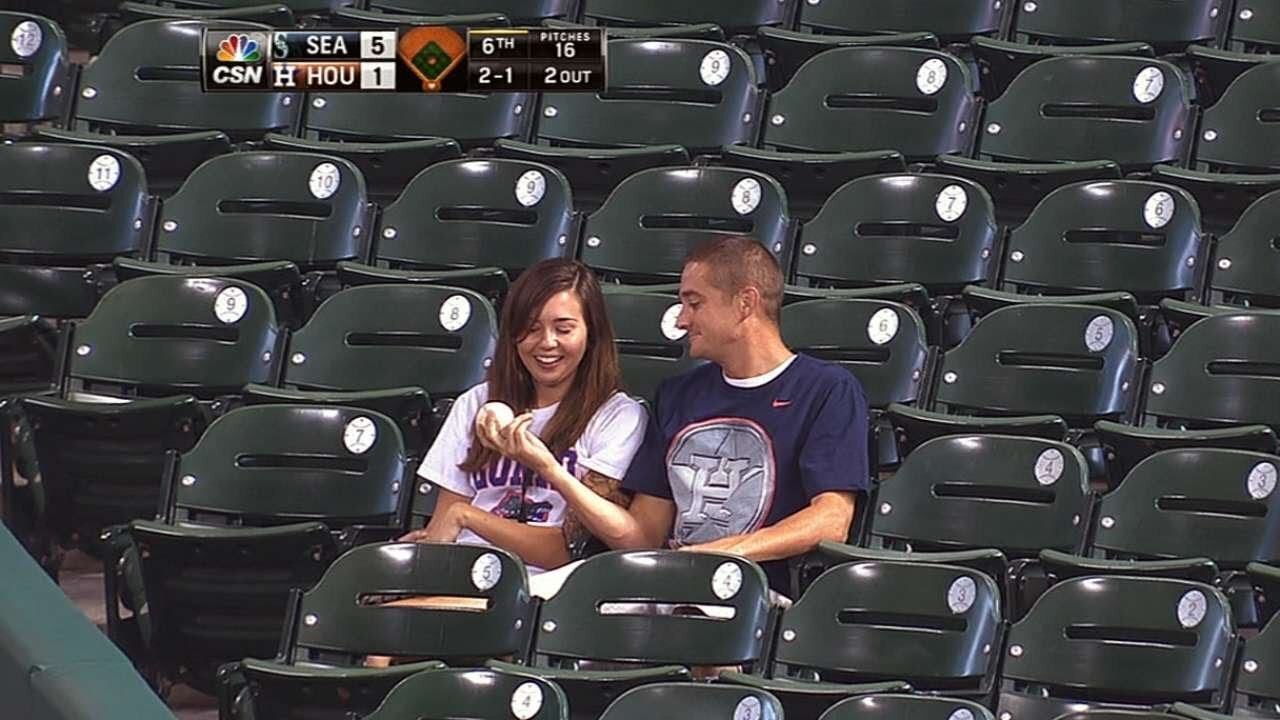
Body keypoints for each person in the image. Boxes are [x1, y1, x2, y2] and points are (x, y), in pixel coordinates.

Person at [534, 236, 869, 595]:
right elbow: (645, 533)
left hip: (751, 590)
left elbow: (832, 520)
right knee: (534, 595)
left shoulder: (826, 389)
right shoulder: (678, 394)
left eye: (694, 303)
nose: (681, 320)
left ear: (745, 303)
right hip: (670, 580)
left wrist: (716, 556)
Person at [399, 258, 647, 573]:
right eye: (531, 329)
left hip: (545, 588)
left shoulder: (617, 416)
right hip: (463, 574)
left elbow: (567, 549)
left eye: (564, 328)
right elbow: (445, 527)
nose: (547, 342)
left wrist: (471, 514)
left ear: (591, 333)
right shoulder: (475, 403)